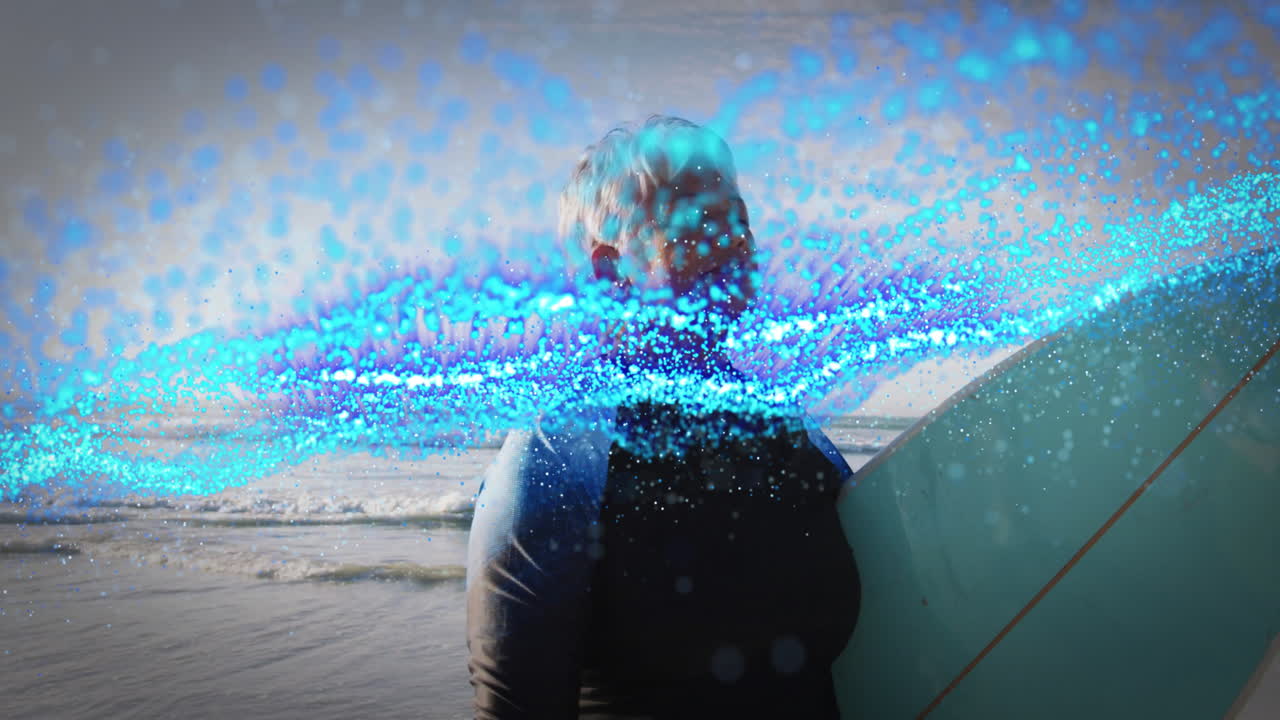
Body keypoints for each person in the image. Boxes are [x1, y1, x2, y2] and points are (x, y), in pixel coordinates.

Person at [466, 115, 861, 719]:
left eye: (740, 218)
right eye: (696, 220)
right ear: (609, 270)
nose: (733, 239)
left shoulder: (791, 428)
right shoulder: (563, 451)